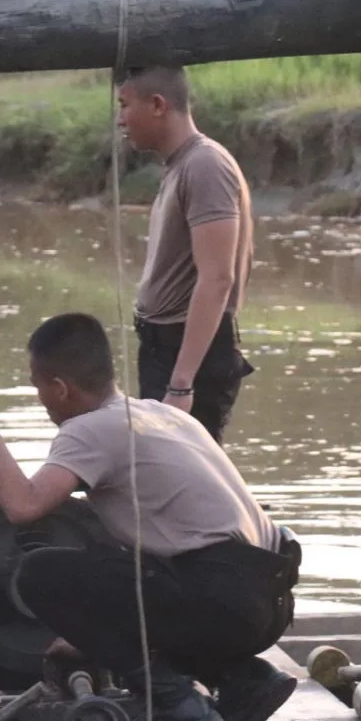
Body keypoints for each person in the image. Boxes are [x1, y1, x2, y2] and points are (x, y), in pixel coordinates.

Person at [0, 313, 299, 721]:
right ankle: (247, 678)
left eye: (38, 386)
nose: (41, 399)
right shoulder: (161, 415)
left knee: (41, 574)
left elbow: (23, 507)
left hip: (222, 602)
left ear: (60, 387)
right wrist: (86, 635)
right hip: (269, 601)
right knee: (126, 572)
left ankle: (177, 701)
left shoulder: (90, 430)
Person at [117, 66, 256, 443]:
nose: (119, 120)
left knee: (181, 479)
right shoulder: (182, 164)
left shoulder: (205, 165)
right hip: (167, 347)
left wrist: (181, 383)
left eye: (124, 105)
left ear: (158, 105)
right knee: (166, 477)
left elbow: (217, 278)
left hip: (187, 352)